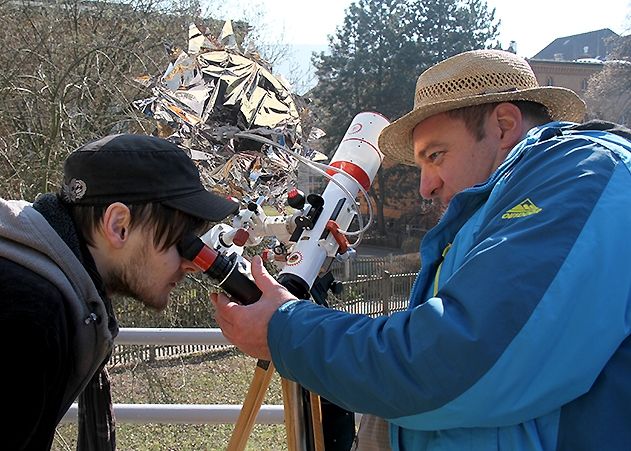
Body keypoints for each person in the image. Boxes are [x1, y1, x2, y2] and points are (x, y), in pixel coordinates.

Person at [212, 49, 631, 450]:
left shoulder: (582, 177)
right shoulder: (497, 209)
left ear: (504, 125)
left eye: (437, 156)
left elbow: (456, 361)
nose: (425, 185)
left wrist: (288, 329)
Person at [0, 134, 238, 450]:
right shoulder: (30, 315)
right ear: (118, 226)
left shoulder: (35, 275)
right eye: (183, 243)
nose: (192, 265)